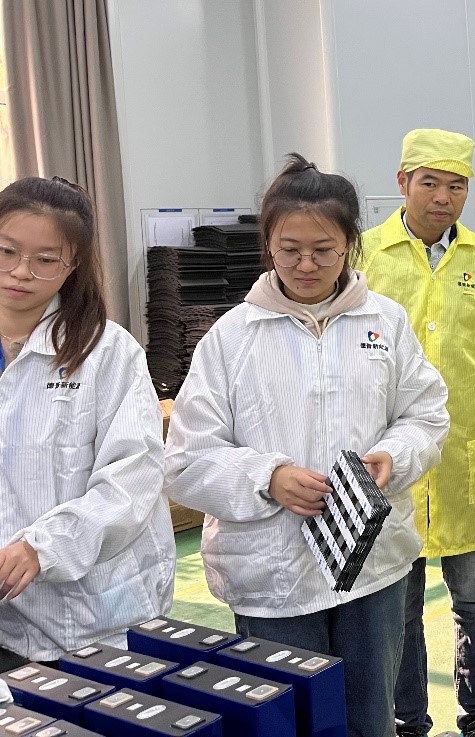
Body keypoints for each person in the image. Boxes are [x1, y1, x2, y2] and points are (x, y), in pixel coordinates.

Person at [165, 154, 449, 737]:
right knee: (287, 724)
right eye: (289, 249)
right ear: (267, 244)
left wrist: (392, 457)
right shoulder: (232, 338)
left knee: (370, 718)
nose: (306, 265)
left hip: (372, 565)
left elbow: (426, 415)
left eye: (324, 250)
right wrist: (266, 477)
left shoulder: (386, 323)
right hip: (272, 574)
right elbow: (187, 459)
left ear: (351, 245)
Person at [360, 129, 475, 737]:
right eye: (430, 183)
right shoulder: (365, 255)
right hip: (390, 457)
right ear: (402, 182)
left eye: (456, 186)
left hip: (464, 452)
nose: (443, 198)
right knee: (400, 607)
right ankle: (408, 723)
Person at [0, 176, 174, 671]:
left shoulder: (108, 353)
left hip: (101, 615)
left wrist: (44, 547)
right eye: (6, 251)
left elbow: (132, 479)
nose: (21, 272)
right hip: (7, 619)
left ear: (73, 264)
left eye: (45, 259)